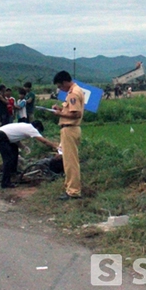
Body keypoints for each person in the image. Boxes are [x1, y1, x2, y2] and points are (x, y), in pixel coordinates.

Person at [0, 120, 58, 188]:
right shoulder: (31, 129)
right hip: (0, 137)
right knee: (8, 159)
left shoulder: (25, 126)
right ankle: (5, 183)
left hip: (1, 135)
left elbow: (14, 138)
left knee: (14, 153)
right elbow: (44, 141)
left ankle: (13, 173)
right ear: (37, 128)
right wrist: (55, 146)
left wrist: (23, 147)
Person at [52, 70, 85, 200]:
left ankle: (73, 191)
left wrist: (59, 114)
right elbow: (70, 110)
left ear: (65, 82)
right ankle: (70, 187)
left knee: (71, 162)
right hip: (70, 129)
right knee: (68, 161)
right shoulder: (75, 91)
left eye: (60, 86)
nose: (61, 89)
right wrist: (60, 110)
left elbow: (76, 114)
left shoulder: (73, 94)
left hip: (70, 129)